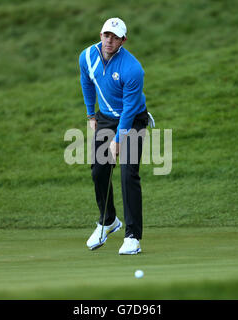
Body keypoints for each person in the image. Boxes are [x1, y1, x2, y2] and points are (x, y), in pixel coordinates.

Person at [79, 17, 153, 255]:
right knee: (98, 169)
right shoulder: (87, 56)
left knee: (128, 173)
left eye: (115, 37)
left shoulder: (132, 69)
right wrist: (91, 116)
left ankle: (133, 236)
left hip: (132, 120)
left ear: (123, 40)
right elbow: (87, 83)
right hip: (105, 118)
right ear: (100, 35)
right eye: (106, 35)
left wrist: (118, 141)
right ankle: (108, 221)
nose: (109, 41)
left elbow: (130, 110)